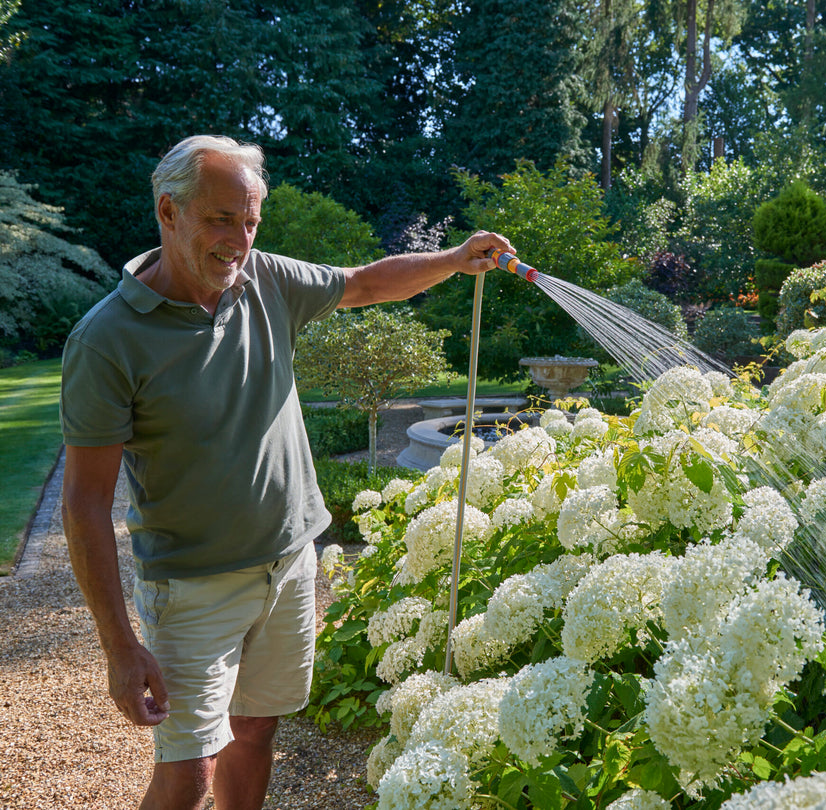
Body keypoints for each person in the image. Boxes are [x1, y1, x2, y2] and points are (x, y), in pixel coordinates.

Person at [59, 134, 513, 810]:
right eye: (220, 219)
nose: (238, 240)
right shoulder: (107, 339)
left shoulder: (264, 279)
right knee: (188, 774)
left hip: (289, 565)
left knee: (256, 731)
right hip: (192, 586)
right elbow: (85, 503)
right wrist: (119, 646)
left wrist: (454, 259)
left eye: (249, 221)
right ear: (168, 211)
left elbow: (364, 283)